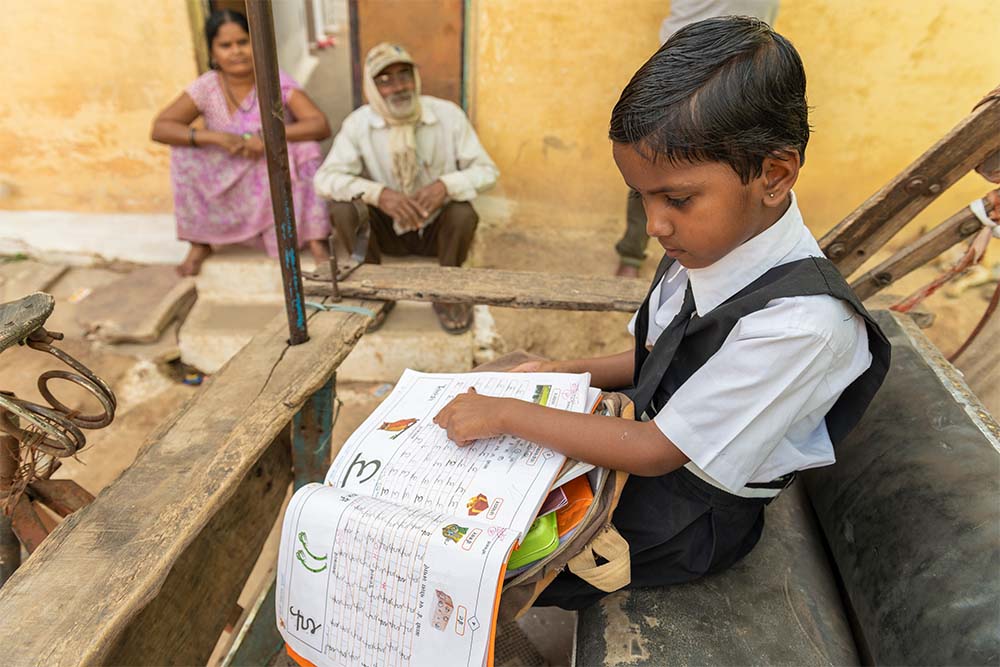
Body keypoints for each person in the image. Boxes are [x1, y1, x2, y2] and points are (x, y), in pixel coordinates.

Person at [435, 16, 891, 610]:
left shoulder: (802, 324)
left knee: (460, 561)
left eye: (676, 198)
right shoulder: (709, 241)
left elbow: (655, 449)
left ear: (774, 175)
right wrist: (553, 370)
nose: (654, 225)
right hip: (641, 458)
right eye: (641, 197)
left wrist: (507, 413)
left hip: (684, 520)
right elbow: (653, 354)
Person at [313, 43, 499, 334]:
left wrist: (445, 186)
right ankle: (374, 290)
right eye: (384, 80)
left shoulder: (447, 115)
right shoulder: (359, 124)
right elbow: (325, 180)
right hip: (386, 233)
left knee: (463, 213)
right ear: (371, 87)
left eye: (404, 75)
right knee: (343, 209)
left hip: (435, 232)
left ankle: (448, 291)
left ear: (415, 78)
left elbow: (487, 171)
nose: (398, 86)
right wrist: (379, 194)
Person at [152, 9, 332, 276]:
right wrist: (214, 137)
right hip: (226, 164)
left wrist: (266, 138)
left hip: (267, 164)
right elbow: (161, 128)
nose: (236, 51)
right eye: (226, 45)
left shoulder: (274, 81)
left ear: (255, 43)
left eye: (243, 42)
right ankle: (201, 241)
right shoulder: (207, 87)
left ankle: (316, 238)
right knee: (184, 154)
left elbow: (319, 125)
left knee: (306, 149)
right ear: (213, 52)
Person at [615, 0, 780, 277]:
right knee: (653, 166)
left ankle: (728, 257)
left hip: (747, 72)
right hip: (683, 73)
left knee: (744, 169)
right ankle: (632, 254)